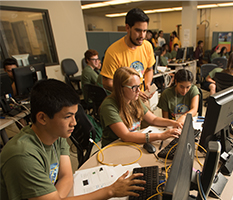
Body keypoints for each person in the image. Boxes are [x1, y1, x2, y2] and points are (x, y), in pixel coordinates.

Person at [0, 79, 146, 200]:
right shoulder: (23, 154)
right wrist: (110, 191)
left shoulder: (55, 135)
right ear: (42, 118)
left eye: (74, 115)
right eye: (67, 116)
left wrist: (56, 197)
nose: (74, 123)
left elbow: (67, 176)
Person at [99, 67, 182, 147]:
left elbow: (153, 119)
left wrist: (173, 123)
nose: (139, 91)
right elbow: (126, 136)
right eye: (134, 87)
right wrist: (160, 136)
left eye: (139, 86)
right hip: (115, 148)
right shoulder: (109, 106)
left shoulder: (134, 99)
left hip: (132, 144)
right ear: (121, 88)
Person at [100, 8, 155, 102]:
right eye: (138, 30)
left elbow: (149, 69)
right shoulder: (113, 52)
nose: (142, 36)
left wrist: (148, 85)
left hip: (140, 98)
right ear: (127, 28)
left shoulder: (147, 46)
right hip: (123, 101)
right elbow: (107, 83)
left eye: (145, 31)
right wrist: (131, 92)